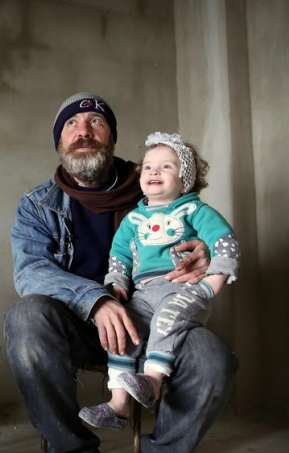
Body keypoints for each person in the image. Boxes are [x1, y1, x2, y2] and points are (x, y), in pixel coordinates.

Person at [4, 93, 238, 453]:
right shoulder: (38, 205)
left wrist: (202, 251)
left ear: (112, 136)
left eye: (96, 122)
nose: (83, 132)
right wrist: (95, 299)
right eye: (72, 126)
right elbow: (30, 273)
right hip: (78, 324)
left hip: (149, 321)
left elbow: (199, 223)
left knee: (213, 357)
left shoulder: (154, 183)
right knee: (25, 317)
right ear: (59, 141)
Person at [78, 132, 240, 430]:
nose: (154, 171)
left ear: (185, 179)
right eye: (149, 166)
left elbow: (224, 241)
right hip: (144, 292)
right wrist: (117, 283)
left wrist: (212, 283)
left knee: (168, 319)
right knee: (123, 328)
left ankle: (152, 382)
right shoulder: (133, 220)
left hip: (183, 289)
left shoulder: (195, 210)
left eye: (166, 166)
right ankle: (119, 403)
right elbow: (119, 255)